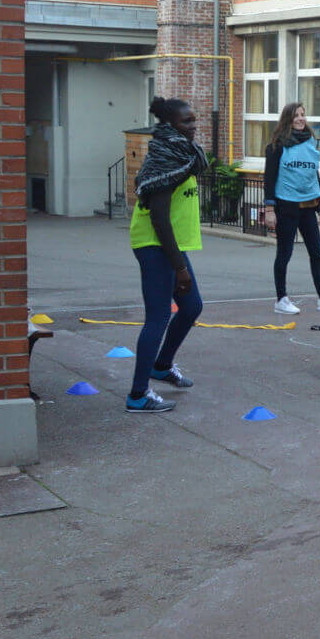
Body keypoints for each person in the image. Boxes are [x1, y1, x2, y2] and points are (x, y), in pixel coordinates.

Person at [124, 96, 206, 414]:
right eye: (187, 121)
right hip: (154, 245)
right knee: (157, 318)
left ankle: (161, 365)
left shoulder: (182, 154)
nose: (193, 125)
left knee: (192, 307)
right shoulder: (163, 160)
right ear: (170, 125)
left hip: (172, 246)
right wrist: (179, 266)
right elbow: (158, 219)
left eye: (194, 119)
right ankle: (137, 395)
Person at [259, 102, 320, 316]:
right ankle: (281, 299)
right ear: (287, 119)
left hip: (308, 206)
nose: (300, 119)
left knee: (316, 253)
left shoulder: (310, 142)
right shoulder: (276, 146)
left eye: (303, 115)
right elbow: (269, 178)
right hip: (286, 205)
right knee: (285, 253)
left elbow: (312, 175)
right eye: (296, 115)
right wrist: (270, 209)